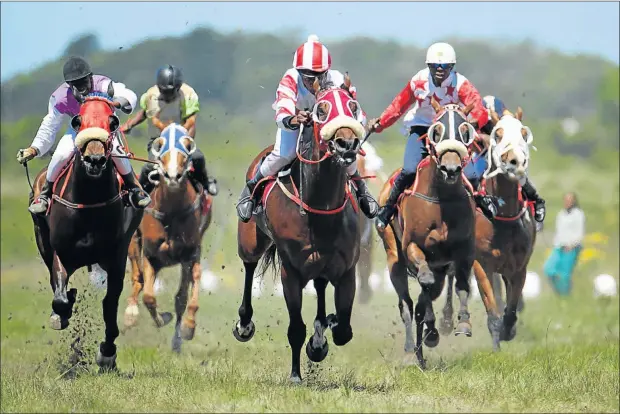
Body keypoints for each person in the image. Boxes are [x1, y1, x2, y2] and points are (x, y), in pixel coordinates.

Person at [235, 35, 379, 223]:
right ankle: (251, 190)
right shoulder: (290, 78)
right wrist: (295, 119)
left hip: (327, 128)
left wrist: (360, 125)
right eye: (308, 77)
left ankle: (362, 191)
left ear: (326, 71)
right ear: (299, 72)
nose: (313, 83)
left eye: (319, 76)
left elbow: (354, 110)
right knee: (284, 154)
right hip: (297, 123)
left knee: (348, 151)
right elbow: (282, 112)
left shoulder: (336, 79)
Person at [367, 42, 499, 229]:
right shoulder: (418, 81)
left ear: (451, 67)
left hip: (451, 132)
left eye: (444, 66)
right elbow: (398, 106)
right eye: (434, 66)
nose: (439, 70)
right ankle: (387, 209)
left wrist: (469, 126)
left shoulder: (461, 83)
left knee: (470, 173)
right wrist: (379, 124)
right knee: (410, 170)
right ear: (428, 66)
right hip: (422, 128)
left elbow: (479, 110)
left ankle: (481, 199)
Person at [17, 56, 151, 214]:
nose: (82, 87)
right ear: (69, 84)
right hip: (79, 130)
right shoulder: (60, 98)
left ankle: (135, 189)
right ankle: (45, 195)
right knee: (61, 154)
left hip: (105, 129)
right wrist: (34, 149)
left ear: (90, 77)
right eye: (76, 84)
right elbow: (49, 126)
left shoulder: (103, 84)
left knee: (116, 152)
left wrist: (116, 103)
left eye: (84, 81)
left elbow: (129, 95)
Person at [120, 65, 218, 196]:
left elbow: (191, 122)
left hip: (182, 140)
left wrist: (185, 144)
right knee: (149, 166)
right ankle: (139, 194)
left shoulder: (188, 94)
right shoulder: (152, 95)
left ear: (178, 88)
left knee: (198, 157)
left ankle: (206, 183)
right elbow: (146, 114)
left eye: (170, 92)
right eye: (164, 91)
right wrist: (129, 125)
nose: (166, 95)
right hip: (159, 141)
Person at [478, 94, 547, 223]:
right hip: (482, 150)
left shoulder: (506, 119)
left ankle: (536, 200)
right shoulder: (478, 117)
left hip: (502, 154)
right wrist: (481, 138)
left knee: (519, 170)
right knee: (474, 171)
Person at [544, 192, 585, 296]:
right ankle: (558, 291)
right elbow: (559, 231)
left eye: (570, 200)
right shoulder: (561, 214)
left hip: (571, 247)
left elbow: (580, 232)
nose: (567, 202)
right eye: (566, 200)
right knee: (549, 269)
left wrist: (572, 245)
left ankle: (565, 295)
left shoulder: (578, 214)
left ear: (574, 201)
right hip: (559, 246)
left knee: (564, 274)